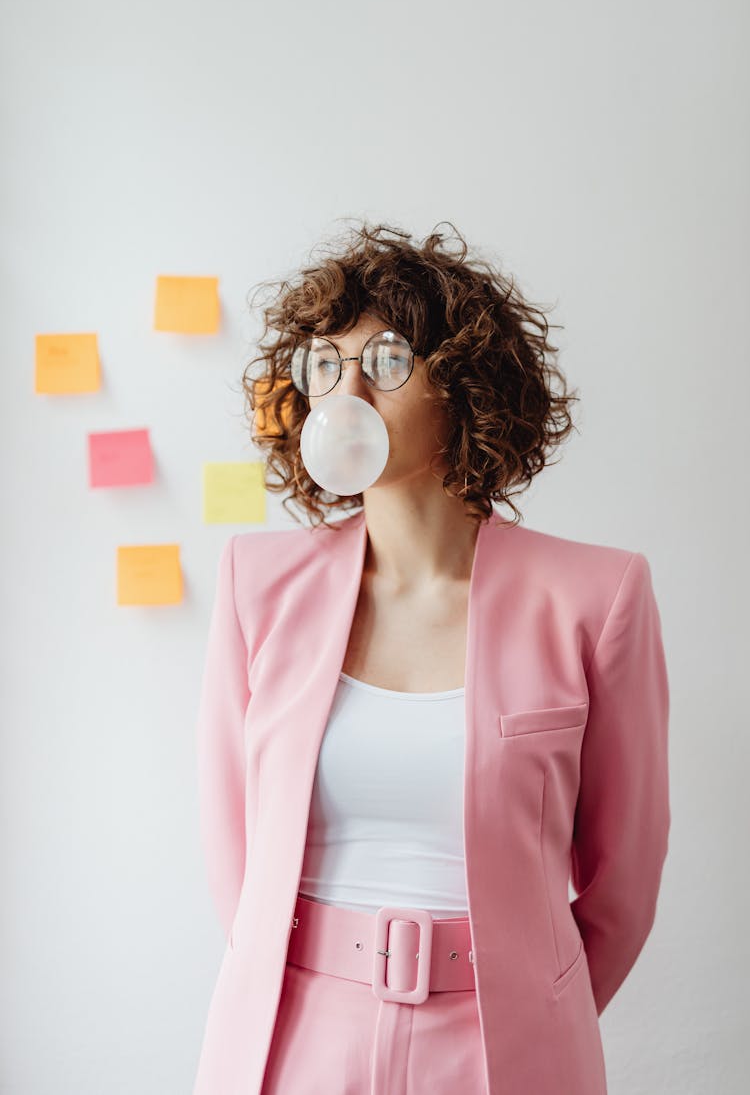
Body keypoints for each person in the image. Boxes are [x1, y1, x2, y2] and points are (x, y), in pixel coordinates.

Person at [192, 221, 670, 1095]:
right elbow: (236, 842)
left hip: (503, 1045)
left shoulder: (597, 599)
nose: (347, 390)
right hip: (294, 1033)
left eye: (385, 361)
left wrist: (534, 1009)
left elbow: (623, 882)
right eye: (327, 364)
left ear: (463, 386)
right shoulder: (254, 586)